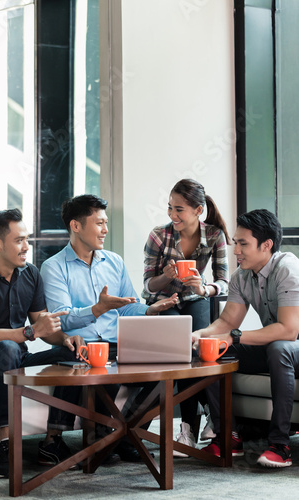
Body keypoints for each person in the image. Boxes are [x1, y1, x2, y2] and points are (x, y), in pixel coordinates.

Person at [40, 194, 178, 461]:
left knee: (165, 373)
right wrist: (97, 309)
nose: (105, 230)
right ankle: (74, 439)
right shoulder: (54, 267)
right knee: (85, 362)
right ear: (76, 226)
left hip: (118, 345)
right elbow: (63, 319)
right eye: (99, 223)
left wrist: (149, 309)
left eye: (106, 223)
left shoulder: (114, 262)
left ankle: (126, 435)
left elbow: (127, 306)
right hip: (84, 348)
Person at [0, 209, 84, 478]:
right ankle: (5, 442)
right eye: (19, 240)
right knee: (7, 348)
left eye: (27, 239)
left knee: (76, 354)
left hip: (16, 356)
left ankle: (52, 440)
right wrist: (30, 332)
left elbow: (42, 327)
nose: (26, 247)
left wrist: (65, 339)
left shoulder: (30, 274)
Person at [194, 208, 299, 468]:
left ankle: (280, 445)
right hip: (278, 347)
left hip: (291, 346)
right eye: (235, 243)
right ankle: (228, 435)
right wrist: (200, 335)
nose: (236, 250)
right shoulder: (241, 276)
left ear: (266, 245)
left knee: (279, 348)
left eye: (243, 244)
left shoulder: (287, 268)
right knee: (210, 349)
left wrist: (234, 336)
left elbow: (289, 330)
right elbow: (228, 321)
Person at [142, 178, 230, 455]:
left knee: (196, 348)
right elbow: (147, 286)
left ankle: (190, 427)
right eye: (170, 208)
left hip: (195, 299)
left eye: (179, 209)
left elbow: (225, 282)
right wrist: (163, 278)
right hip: (162, 302)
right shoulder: (158, 236)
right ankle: (199, 421)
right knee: (181, 351)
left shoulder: (215, 236)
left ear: (198, 210)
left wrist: (205, 288)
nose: (172, 215)